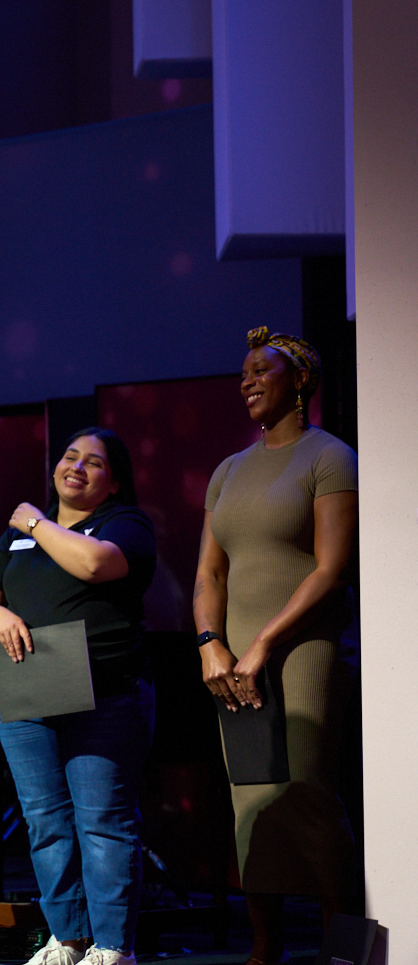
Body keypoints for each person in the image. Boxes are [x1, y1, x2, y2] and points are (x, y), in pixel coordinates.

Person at [192, 327, 358, 965]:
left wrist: (262, 642)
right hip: (233, 661)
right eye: (244, 373)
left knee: (310, 794)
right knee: (251, 798)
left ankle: (340, 950)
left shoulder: (329, 457)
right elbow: (209, 573)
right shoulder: (228, 470)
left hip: (303, 651)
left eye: (263, 370)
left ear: (301, 381)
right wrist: (211, 643)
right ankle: (265, 950)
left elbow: (330, 569)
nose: (248, 381)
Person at [0, 428, 157, 965]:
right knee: (45, 821)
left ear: (114, 481)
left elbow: (94, 564)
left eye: (93, 462)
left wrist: (35, 522)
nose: (76, 466)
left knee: (103, 822)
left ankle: (112, 947)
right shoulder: (18, 536)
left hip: (103, 693)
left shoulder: (124, 523)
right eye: (70, 456)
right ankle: (67, 939)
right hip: (28, 688)